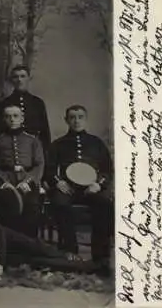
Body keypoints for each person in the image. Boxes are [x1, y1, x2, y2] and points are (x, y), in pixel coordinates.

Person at [46, 105, 113, 275]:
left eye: (80, 117)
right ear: (66, 120)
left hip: (91, 187)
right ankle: (70, 252)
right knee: (59, 203)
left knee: (104, 203)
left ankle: (100, 256)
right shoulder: (58, 144)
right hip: (68, 187)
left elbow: (107, 169)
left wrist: (99, 183)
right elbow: (50, 169)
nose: (76, 121)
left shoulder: (96, 143)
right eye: (72, 117)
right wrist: (58, 183)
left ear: (86, 119)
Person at [0, 104, 44, 238]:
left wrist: (28, 181)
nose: (12, 119)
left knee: (32, 205)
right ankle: (8, 242)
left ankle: (29, 244)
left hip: (28, 179)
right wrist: (5, 182)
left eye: (15, 116)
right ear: (4, 120)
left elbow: (39, 164)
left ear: (22, 118)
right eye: (8, 116)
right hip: (4, 181)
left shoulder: (33, 140)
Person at [0, 65, 51, 155]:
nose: (19, 80)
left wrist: (45, 151)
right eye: (16, 77)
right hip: (10, 149)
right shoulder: (4, 103)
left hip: (33, 149)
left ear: (28, 78)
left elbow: (44, 131)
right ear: (12, 80)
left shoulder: (37, 103)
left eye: (23, 76)